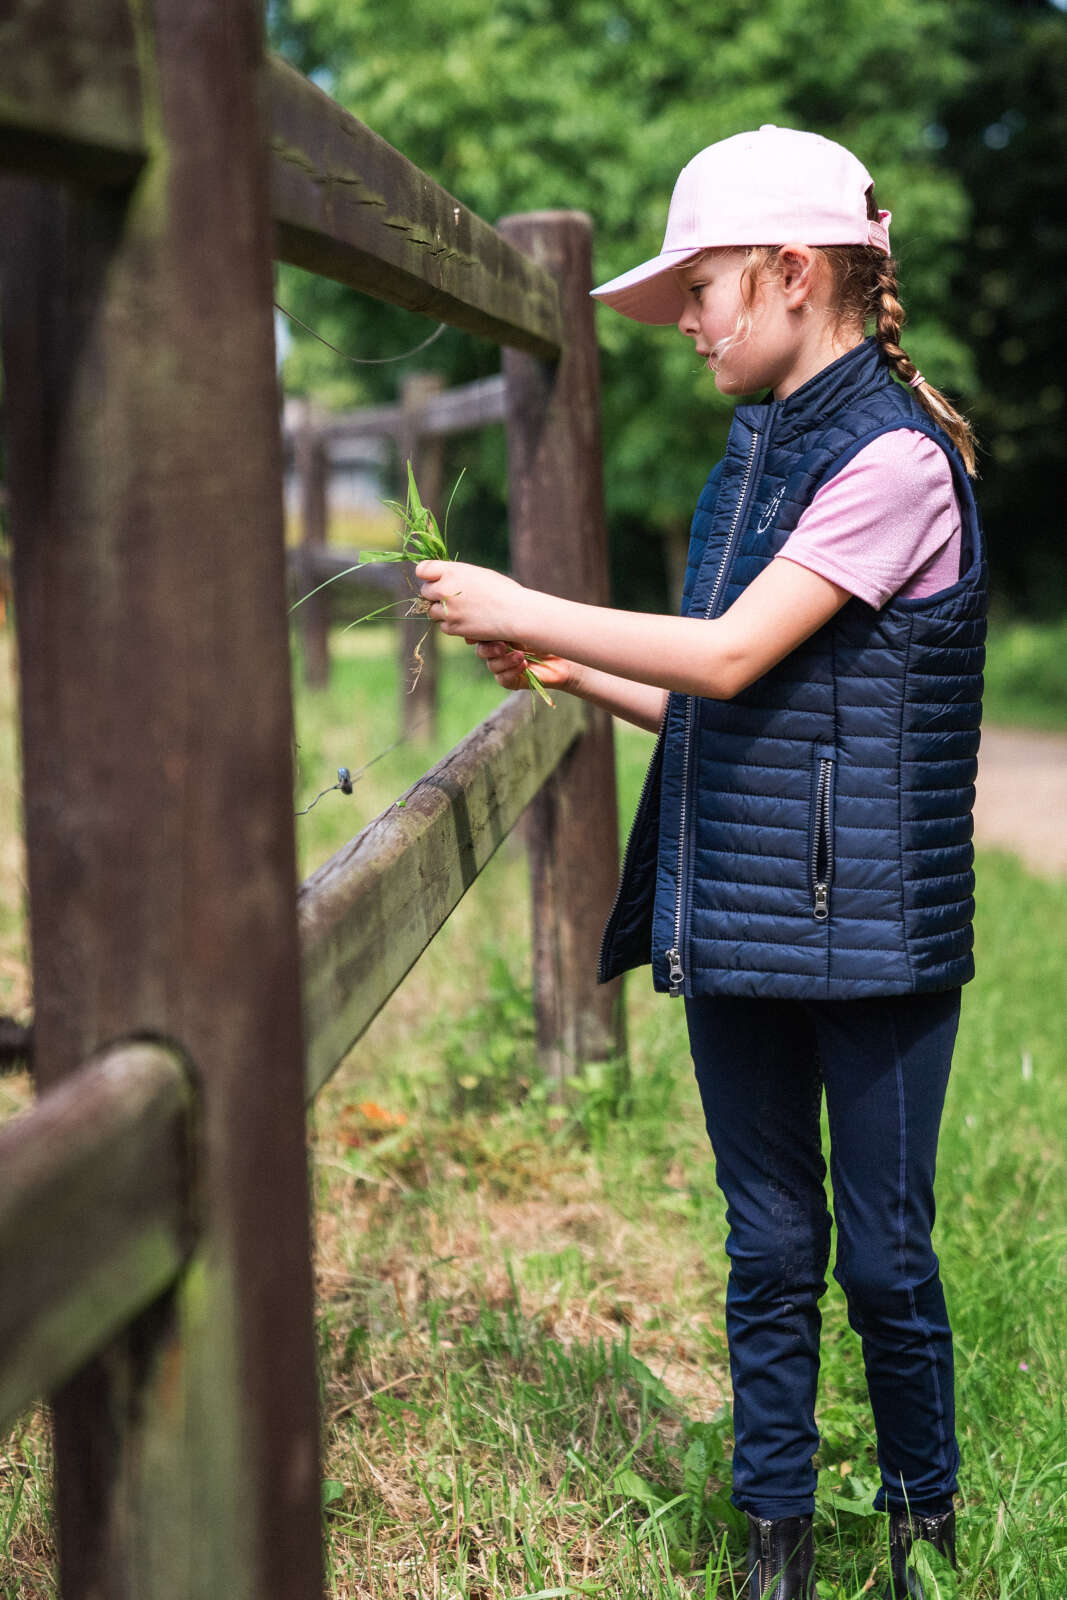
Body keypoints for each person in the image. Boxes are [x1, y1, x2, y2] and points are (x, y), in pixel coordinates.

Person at [415, 125, 985, 1600]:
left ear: (797, 274)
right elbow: (719, 693)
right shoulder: (755, 457)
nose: (682, 323)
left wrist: (533, 593)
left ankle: (926, 1523)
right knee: (768, 1245)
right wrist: (555, 660)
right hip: (739, 912)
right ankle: (773, 1546)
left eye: (702, 288)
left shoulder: (898, 463)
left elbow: (730, 655)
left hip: (874, 934)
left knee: (883, 1258)